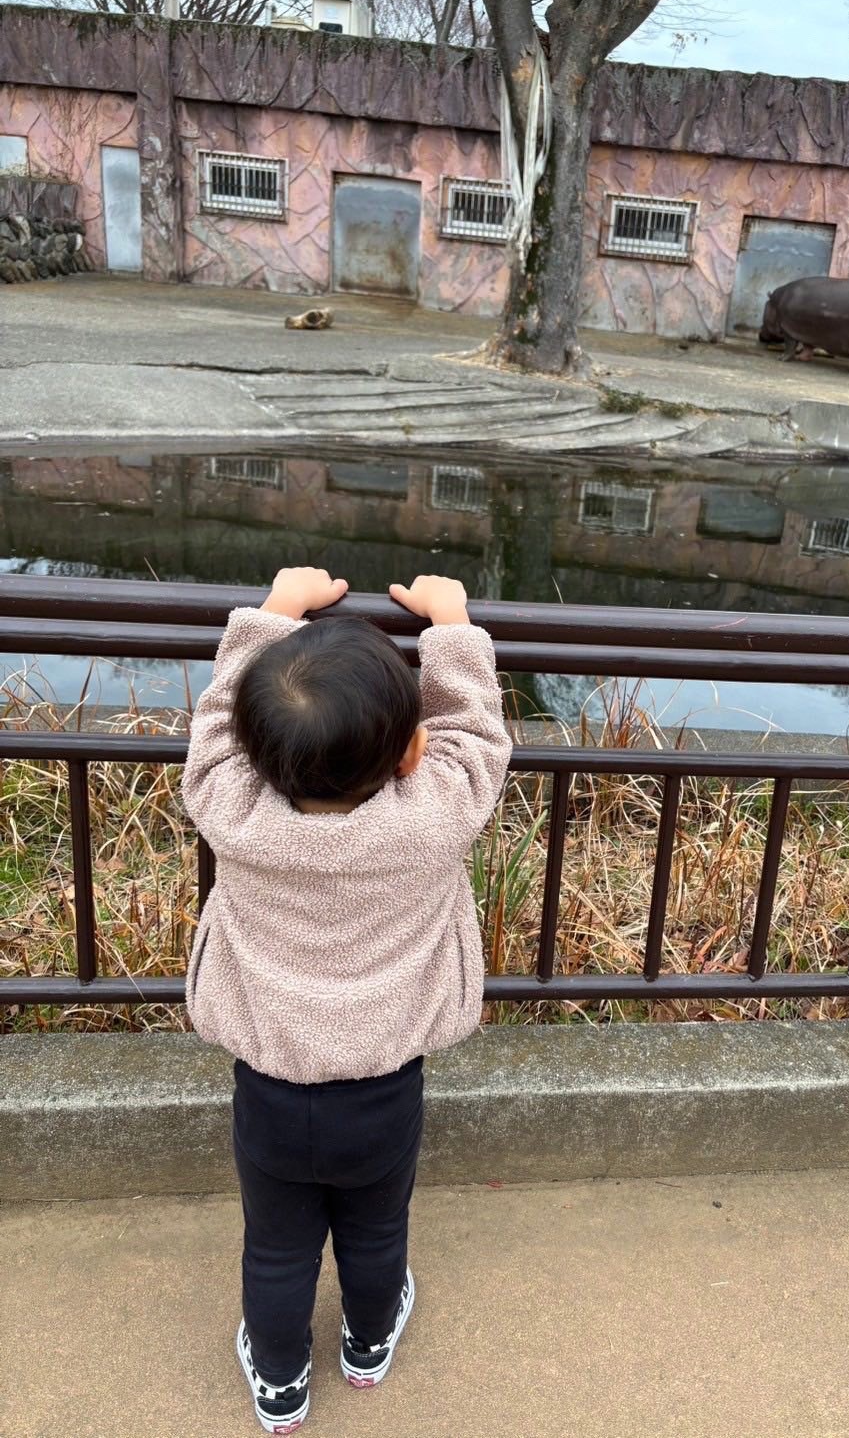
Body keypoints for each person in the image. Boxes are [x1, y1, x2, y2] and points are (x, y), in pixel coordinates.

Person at [182, 567, 511, 1435]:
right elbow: (476, 733)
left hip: (271, 1089)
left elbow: (212, 731)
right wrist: (450, 628)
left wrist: (269, 616)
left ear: (257, 758)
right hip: (386, 1087)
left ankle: (281, 1383)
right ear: (412, 751)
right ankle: (368, 1343)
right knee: (375, 1233)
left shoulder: (234, 810)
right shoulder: (432, 816)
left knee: (278, 1245)